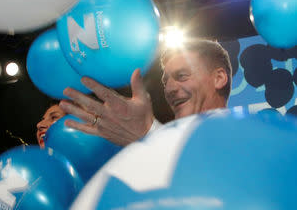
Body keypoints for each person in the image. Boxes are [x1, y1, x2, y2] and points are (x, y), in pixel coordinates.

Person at [58, 39, 232, 145]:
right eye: (166, 82)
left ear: (219, 78)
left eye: (182, 76)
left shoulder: (250, 134)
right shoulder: (149, 153)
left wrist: (149, 133)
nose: (170, 89)